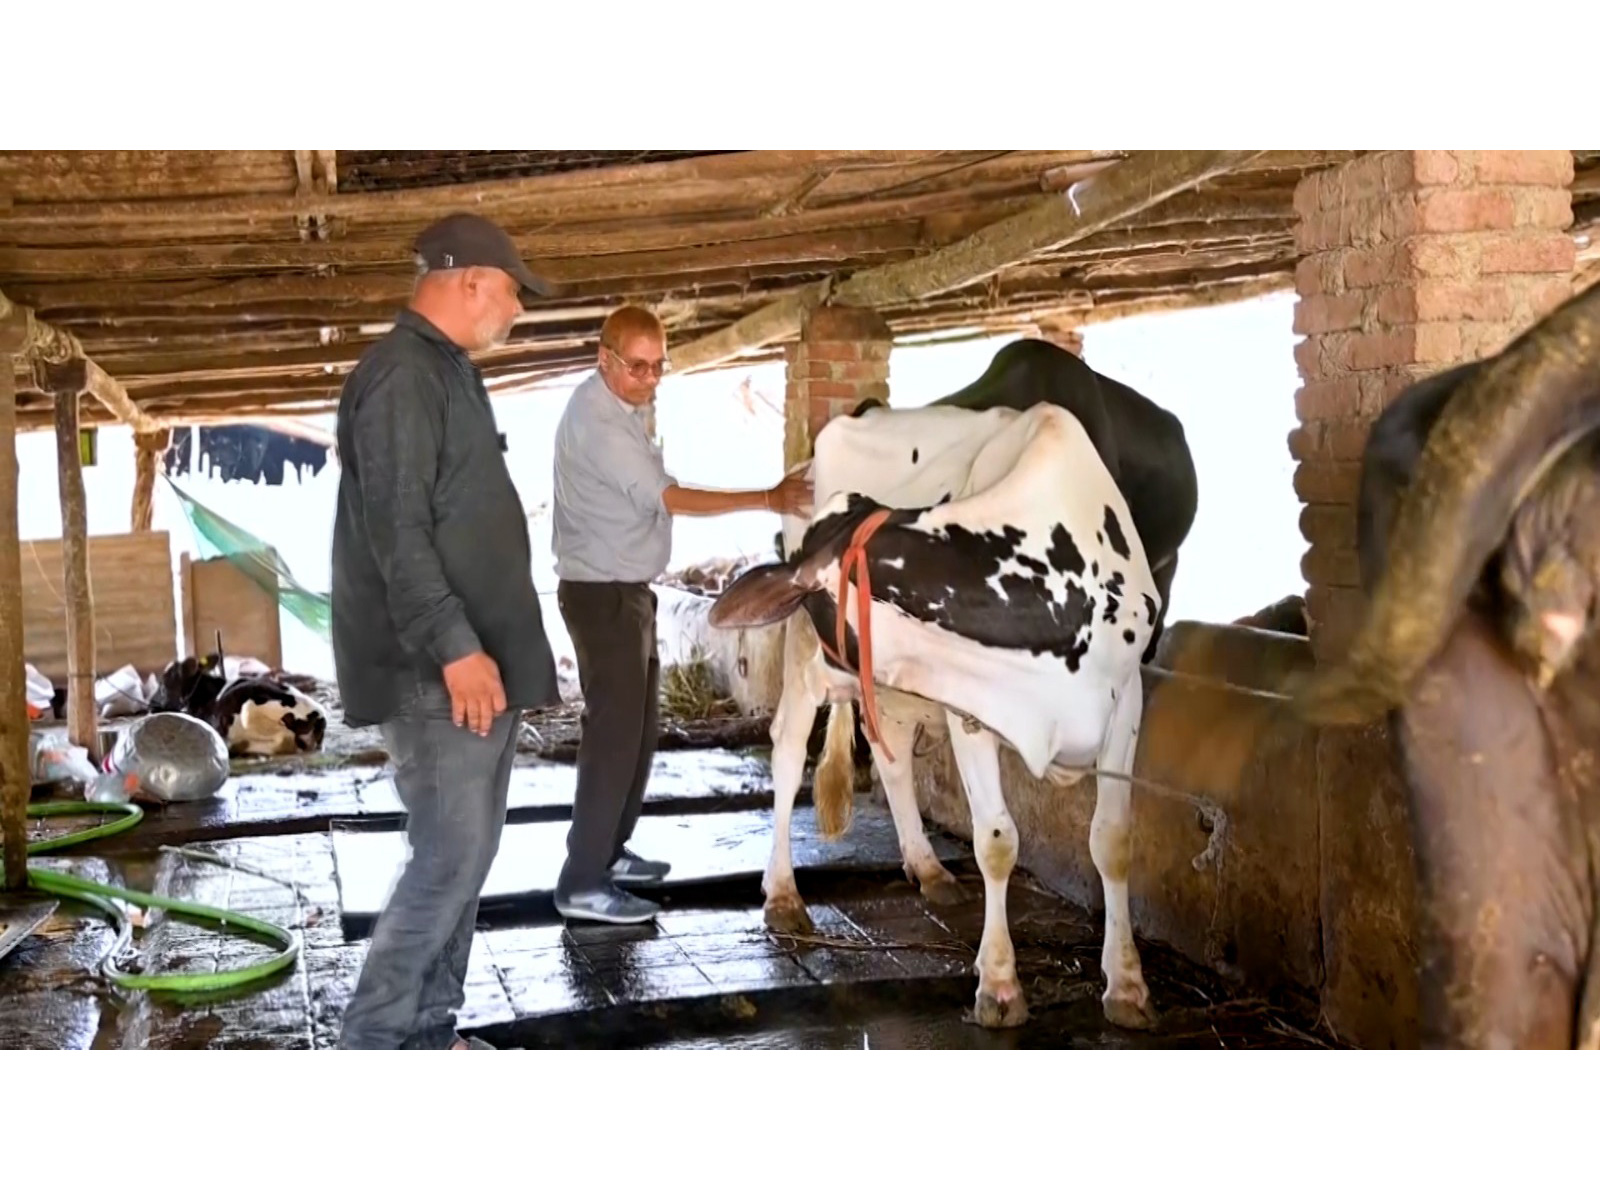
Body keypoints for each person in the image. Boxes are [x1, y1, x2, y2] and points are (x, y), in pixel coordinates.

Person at [331, 212, 563, 1049]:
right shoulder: (400, 375)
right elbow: (398, 532)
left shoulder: (443, 369)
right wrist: (458, 646)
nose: (517, 312)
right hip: (437, 669)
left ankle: (430, 1030)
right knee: (446, 861)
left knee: (467, 857)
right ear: (468, 281)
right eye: (511, 293)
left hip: (471, 664)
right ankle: (376, 1043)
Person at [550, 305, 811, 923]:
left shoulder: (622, 409)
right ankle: (581, 881)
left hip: (626, 591)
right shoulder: (600, 423)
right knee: (613, 738)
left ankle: (608, 854)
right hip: (602, 595)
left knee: (636, 734)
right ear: (604, 358)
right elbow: (672, 497)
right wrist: (767, 497)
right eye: (636, 366)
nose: (648, 378)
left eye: (657, 366)